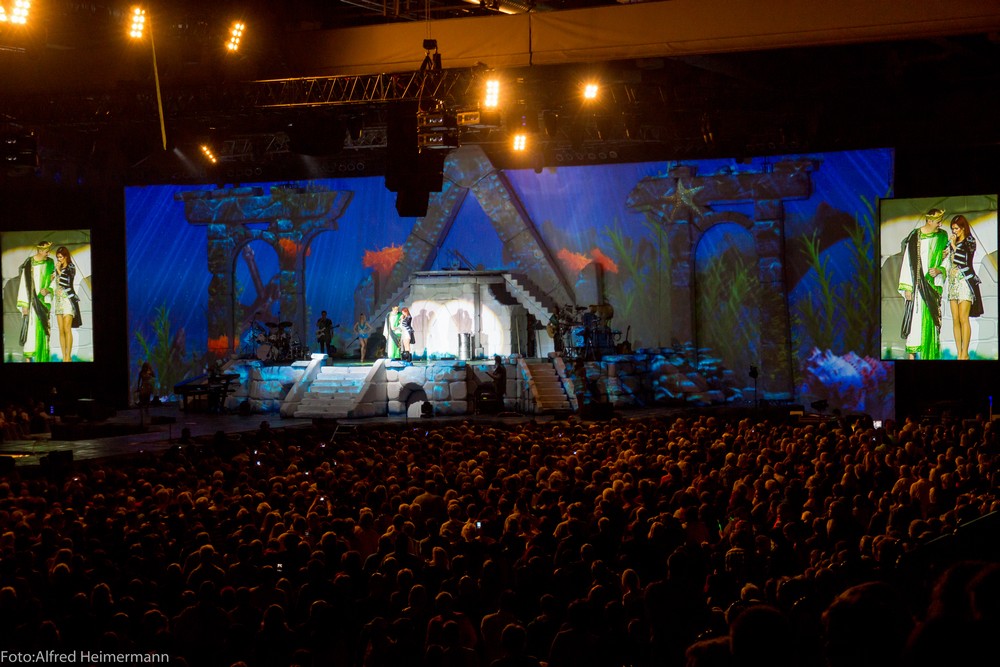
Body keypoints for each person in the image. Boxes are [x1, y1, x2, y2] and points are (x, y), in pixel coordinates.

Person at [898, 208, 949, 359]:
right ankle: (912, 357)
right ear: (930, 221)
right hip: (917, 285)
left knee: (932, 322)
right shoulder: (915, 236)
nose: (940, 224)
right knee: (915, 321)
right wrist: (907, 287)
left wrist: (940, 270)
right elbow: (908, 261)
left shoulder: (943, 236)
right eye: (938, 221)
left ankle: (931, 357)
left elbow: (947, 258)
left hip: (932, 286)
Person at [945, 214, 984, 360]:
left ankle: (964, 353)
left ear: (962, 228)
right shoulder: (952, 243)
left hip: (965, 282)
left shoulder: (969, 241)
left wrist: (954, 246)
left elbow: (964, 260)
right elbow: (949, 260)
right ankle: (958, 353)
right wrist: (946, 252)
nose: (954, 231)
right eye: (952, 229)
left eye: (956, 228)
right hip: (953, 282)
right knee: (955, 319)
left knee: (963, 318)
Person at [16, 240, 55, 362]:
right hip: (31, 301)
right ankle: (28, 360)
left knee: (44, 330)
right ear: (40, 251)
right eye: (46, 251)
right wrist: (24, 305)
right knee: (30, 331)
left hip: (43, 302)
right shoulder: (29, 263)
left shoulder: (50, 263)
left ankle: (42, 359)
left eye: (48, 251)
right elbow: (24, 283)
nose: (48, 253)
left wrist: (48, 290)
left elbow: (54, 280)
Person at [53, 246, 82, 363]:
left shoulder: (71, 267)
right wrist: (53, 275)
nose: (59, 259)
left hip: (68, 300)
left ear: (65, 257)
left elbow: (65, 282)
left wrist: (58, 271)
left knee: (67, 328)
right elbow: (54, 282)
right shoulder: (57, 268)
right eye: (57, 257)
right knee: (61, 330)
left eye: (60, 257)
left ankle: (68, 357)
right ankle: (63, 355)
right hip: (58, 301)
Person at [137, 361, 155, 426]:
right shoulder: (141, 372)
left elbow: (154, 376)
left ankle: (146, 409)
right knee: (142, 398)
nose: (145, 368)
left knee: (147, 398)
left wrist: (151, 372)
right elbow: (139, 380)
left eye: (146, 367)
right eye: (145, 367)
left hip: (148, 386)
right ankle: (142, 409)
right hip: (143, 386)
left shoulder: (149, 372)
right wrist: (138, 387)